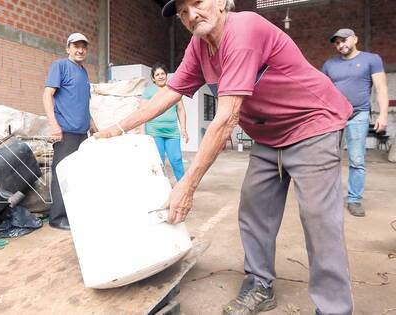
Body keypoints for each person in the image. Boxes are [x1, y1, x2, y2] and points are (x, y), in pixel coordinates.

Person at [95, 0, 354, 314]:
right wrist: (115, 128)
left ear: (220, 2)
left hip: (313, 123)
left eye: (197, 3)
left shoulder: (243, 30)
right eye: (182, 12)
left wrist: (187, 186)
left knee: (319, 220)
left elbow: (226, 119)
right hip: (269, 134)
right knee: (254, 209)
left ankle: (334, 309)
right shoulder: (199, 45)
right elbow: (169, 93)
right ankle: (259, 284)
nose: (191, 15)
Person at [322, 28, 389, 217]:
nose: (340, 45)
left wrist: (383, 115)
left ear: (355, 39)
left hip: (358, 115)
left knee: (357, 159)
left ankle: (354, 200)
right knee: (328, 159)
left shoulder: (371, 59)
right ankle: (328, 199)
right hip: (333, 116)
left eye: (344, 40)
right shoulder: (329, 64)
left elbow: (381, 88)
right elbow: (322, 91)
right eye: (337, 42)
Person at [43, 32, 98, 230]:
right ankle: (57, 218)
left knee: (78, 174)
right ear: (68, 48)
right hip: (65, 132)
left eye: (83, 46)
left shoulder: (83, 72)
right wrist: (54, 125)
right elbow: (47, 95)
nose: (80, 50)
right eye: (76, 46)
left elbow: (83, 103)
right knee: (62, 174)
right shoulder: (60, 66)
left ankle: (73, 212)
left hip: (82, 133)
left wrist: (93, 126)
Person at [141, 63, 189, 181]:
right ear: (153, 78)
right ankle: (159, 188)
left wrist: (183, 129)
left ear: (166, 75)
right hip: (154, 132)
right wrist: (142, 132)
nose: (160, 76)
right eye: (157, 74)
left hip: (172, 132)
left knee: (176, 159)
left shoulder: (173, 90)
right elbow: (142, 111)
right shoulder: (148, 91)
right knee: (158, 161)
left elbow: (180, 109)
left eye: (162, 73)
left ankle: (182, 187)